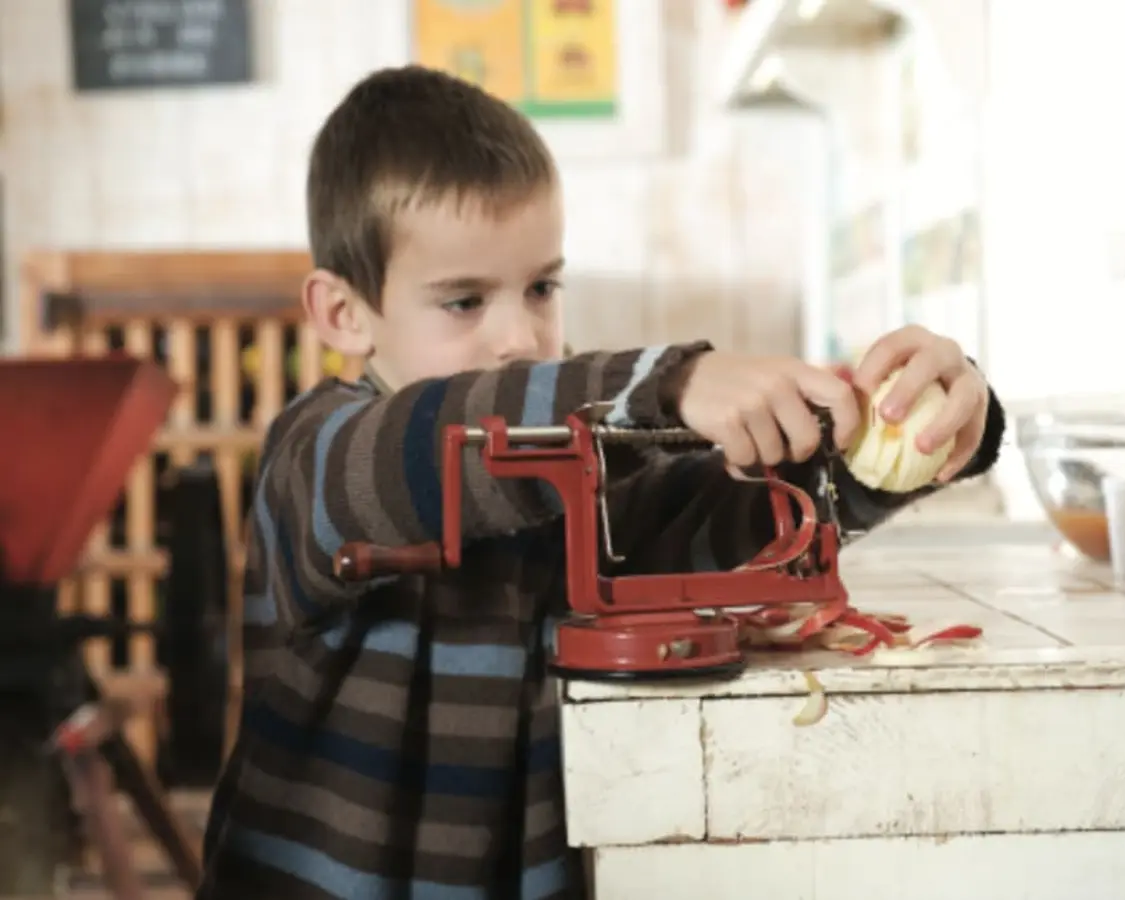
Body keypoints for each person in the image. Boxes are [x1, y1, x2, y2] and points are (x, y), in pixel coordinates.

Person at [197, 65, 1006, 899]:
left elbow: (730, 509)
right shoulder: (319, 453)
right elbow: (441, 440)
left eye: (542, 287)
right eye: (464, 301)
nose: (520, 336)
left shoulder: (575, 465)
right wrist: (670, 381)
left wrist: (901, 439)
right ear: (342, 314)